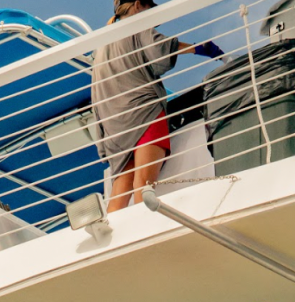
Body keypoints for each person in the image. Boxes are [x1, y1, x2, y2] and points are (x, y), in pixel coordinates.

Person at [91, 0, 223, 211]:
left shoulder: (101, 45)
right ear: (137, 5)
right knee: (144, 184)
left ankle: (113, 231)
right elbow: (159, 49)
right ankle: (144, 225)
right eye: (148, 10)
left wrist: (103, 142)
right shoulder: (136, 25)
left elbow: (96, 99)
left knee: (120, 191)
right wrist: (199, 48)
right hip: (145, 114)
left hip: (114, 127)